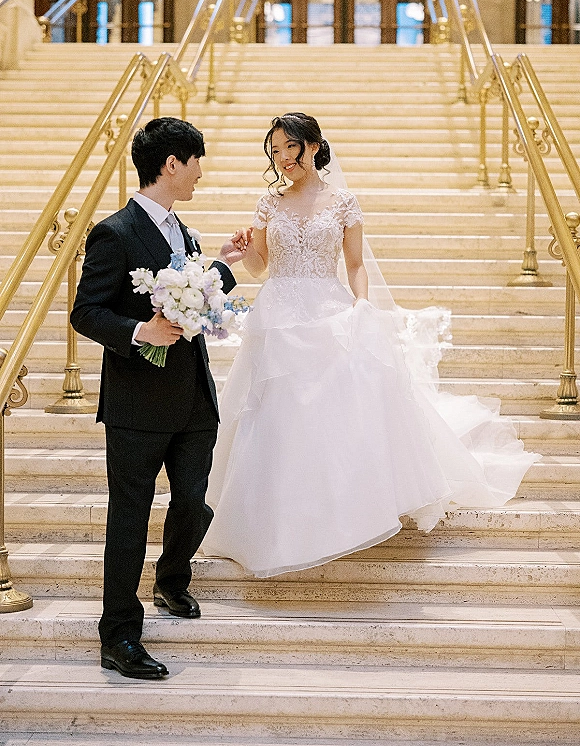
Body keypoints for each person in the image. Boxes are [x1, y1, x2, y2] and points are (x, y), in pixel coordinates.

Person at [202, 112, 540, 578]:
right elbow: (260, 266)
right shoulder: (267, 203)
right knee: (276, 413)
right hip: (278, 313)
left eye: (290, 148)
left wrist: (361, 307)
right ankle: (284, 516)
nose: (282, 159)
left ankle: (347, 506)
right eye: (275, 151)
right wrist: (241, 255)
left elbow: (355, 264)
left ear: (315, 147)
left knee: (336, 414)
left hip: (329, 308)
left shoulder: (343, 201)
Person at [71, 117, 248, 680]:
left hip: (194, 397)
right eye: (196, 161)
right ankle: (119, 634)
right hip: (137, 404)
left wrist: (221, 263)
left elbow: (191, 292)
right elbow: (85, 312)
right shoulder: (115, 233)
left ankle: (172, 581)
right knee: (129, 518)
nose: (200, 172)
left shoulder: (183, 230)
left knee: (194, 503)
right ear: (171, 163)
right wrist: (138, 332)